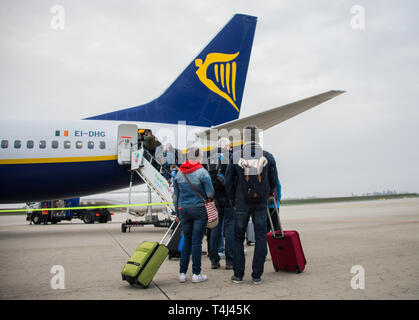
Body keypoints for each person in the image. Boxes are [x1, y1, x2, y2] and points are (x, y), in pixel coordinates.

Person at [225, 126, 278, 285]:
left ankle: (238, 275)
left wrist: (233, 201)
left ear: (245, 138)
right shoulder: (268, 156)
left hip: (241, 203)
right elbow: (274, 182)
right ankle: (257, 275)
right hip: (261, 203)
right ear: (259, 139)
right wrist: (268, 195)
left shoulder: (236, 156)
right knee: (261, 237)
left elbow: (228, 182)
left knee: (238, 238)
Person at [173, 146, 214, 283]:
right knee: (197, 241)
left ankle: (182, 273)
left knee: (187, 240)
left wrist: (177, 211)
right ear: (198, 157)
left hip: (183, 209)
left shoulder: (179, 173)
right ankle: (196, 273)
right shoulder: (202, 172)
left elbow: (175, 196)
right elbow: (210, 193)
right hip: (198, 209)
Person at [204, 137, 235, 270]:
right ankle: (229, 261)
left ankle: (214, 260)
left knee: (215, 229)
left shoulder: (210, 158)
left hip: (215, 198)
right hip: (229, 198)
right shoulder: (232, 157)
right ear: (228, 147)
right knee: (229, 229)